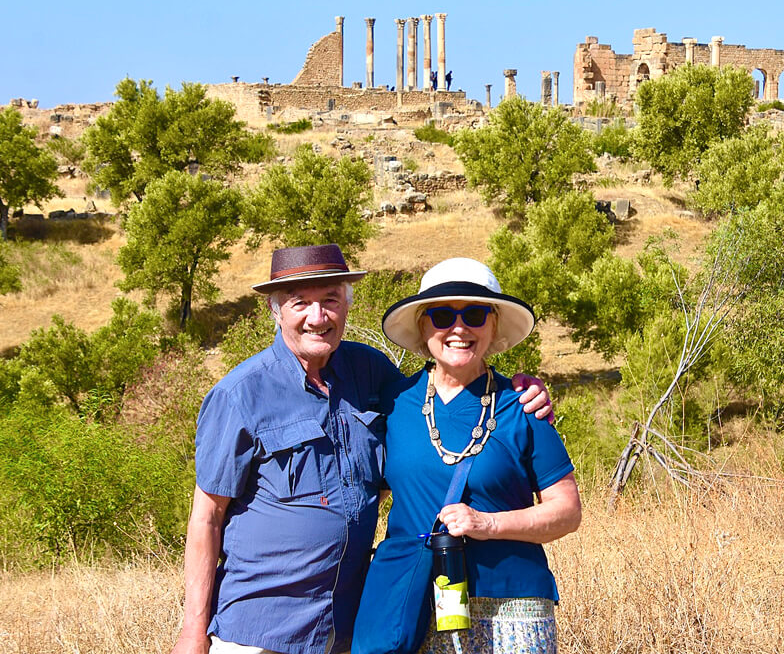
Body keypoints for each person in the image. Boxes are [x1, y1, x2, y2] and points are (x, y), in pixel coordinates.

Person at [171, 245, 553, 654]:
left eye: (330, 300)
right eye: (301, 303)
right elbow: (207, 517)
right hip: (259, 630)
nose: (318, 318)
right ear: (276, 309)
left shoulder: (370, 373)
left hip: (348, 626)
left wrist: (521, 392)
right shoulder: (238, 395)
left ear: (347, 307)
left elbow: (442, 405)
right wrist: (193, 632)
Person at [374, 257, 581, 654]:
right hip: (414, 605)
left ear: (493, 326)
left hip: (513, 608)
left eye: (474, 314)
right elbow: (371, 493)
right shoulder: (394, 403)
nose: (458, 327)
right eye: (440, 315)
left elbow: (567, 511)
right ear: (422, 326)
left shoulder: (523, 406)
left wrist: (486, 523)